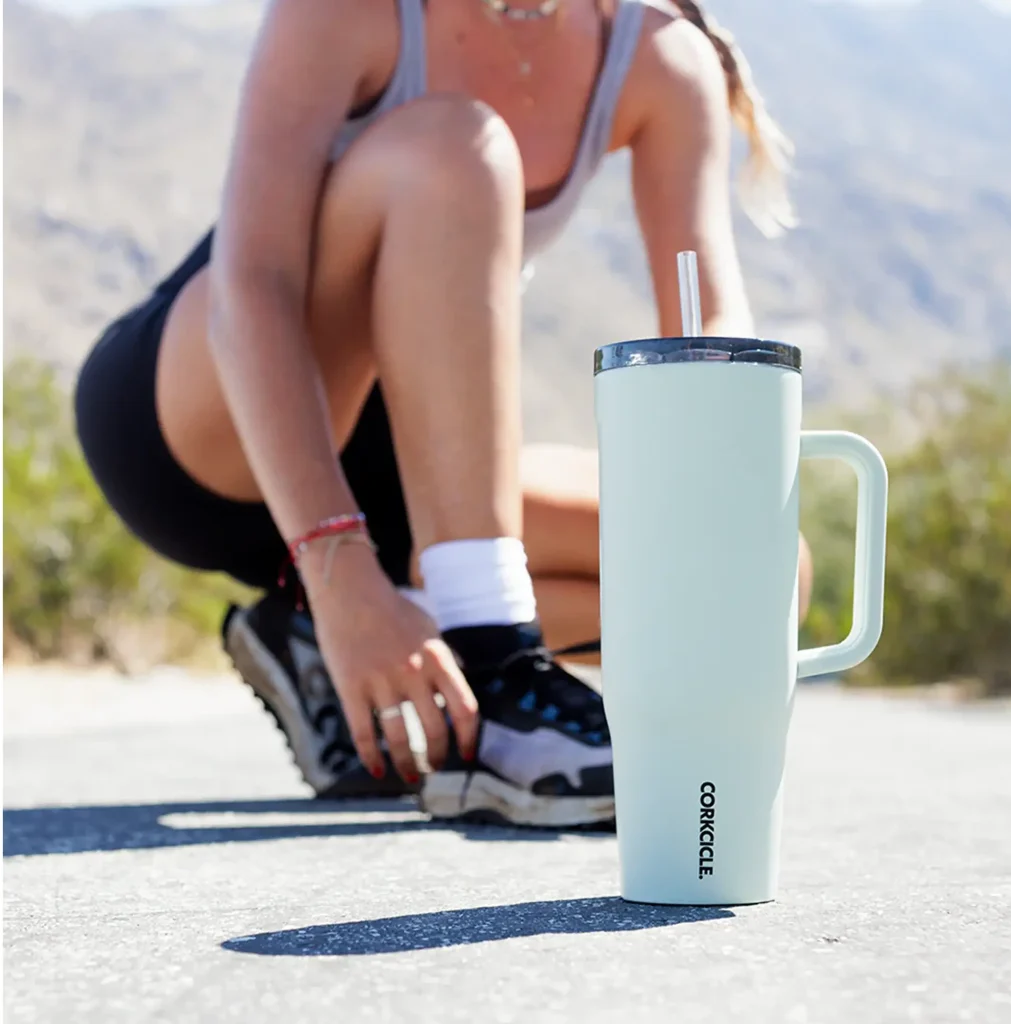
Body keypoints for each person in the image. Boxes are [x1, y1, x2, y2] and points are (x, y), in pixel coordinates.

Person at [74, 0, 812, 828]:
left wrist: (730, 523)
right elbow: (253, 288)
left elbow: (710, 327)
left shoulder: (658, 58)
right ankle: (497, 664)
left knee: (758, 568)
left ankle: (341, 639)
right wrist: (336, 566)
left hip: (419, 471)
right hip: (215, 422)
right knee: (459, 146)